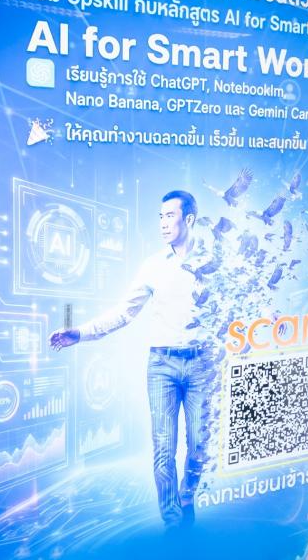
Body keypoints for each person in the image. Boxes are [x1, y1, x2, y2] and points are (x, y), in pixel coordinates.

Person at [49, 190, 216, 530]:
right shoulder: (153, 266)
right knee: (163, 449)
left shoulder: (213, 260)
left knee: (200, 445)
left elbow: (234, 304)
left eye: (170, 216)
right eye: (160, 216)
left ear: (189, 219)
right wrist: (80, 333)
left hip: (202, 365)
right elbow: (124, 312)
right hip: (162, 367)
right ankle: (173, 523)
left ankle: (187, 497)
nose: (163, 223)